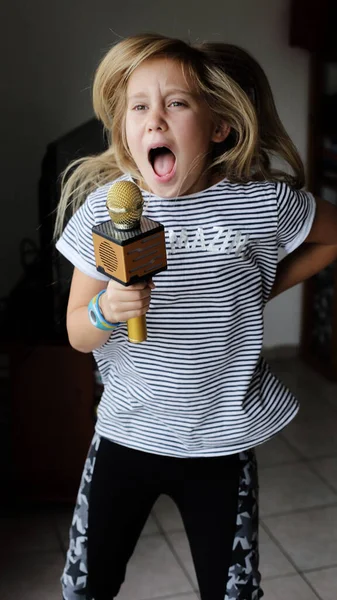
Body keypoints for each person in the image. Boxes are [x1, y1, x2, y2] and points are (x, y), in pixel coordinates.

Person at [55, 34, 337, 600]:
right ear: (126, 131)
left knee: (232, 592)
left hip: (219, 442)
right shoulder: (106, 209)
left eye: (176, 103)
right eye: (139, 107)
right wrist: (107, 309)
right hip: (126, 434)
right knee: (86, 587)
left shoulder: (259, 204)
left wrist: (259, 288)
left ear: (219, 127)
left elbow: (330, 236)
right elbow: (77, 335)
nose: (154, 119)